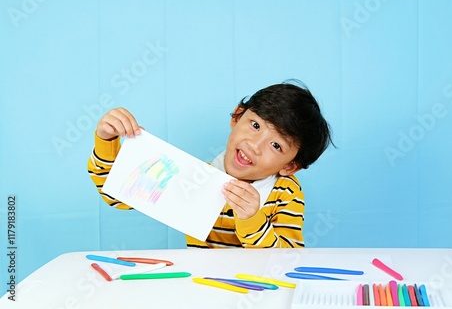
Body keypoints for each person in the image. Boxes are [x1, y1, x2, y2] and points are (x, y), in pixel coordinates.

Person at [87, 81, 333, 248]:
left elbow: (287, 261)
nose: (255, 145)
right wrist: (106, 139)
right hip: (200, 291)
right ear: (237, 117)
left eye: (276, 145)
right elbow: (117, 194)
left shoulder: (285, 193)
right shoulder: (195, 175)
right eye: (255, 125)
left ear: (290, 166)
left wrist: (252, 219)